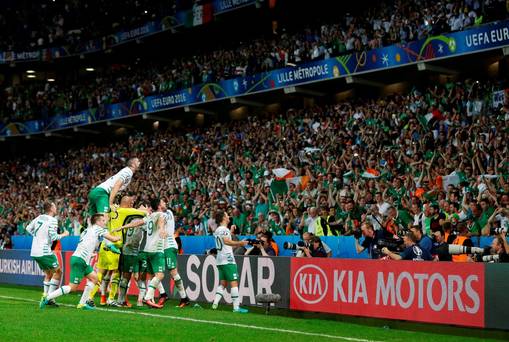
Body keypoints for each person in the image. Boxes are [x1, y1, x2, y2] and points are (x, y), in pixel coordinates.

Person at [40, 214, 120, 310]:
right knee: (72, 287)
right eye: (103, 220)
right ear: (98, 222)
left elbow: (95, 243)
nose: (105, 222)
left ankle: (82, 304)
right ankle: (47, 297)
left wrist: (109, 248)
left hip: (81, 259)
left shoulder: (87, 230)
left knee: (95, 279)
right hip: (80, 260)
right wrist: (119, 237)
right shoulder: (98, 229)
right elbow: (113, 239)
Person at [115, 198, 168, 308]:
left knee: (151, 276)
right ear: (158, 205)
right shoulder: (161, 214)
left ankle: (150, 299)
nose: (165, 203)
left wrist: (123, 226)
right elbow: (161, 222)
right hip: (156, 250)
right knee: (159, 275)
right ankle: (148, 298)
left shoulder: (149, 216)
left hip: (146, 250)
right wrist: (162, 229)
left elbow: (138, 223)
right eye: (163, 202)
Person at [26, 201, 69, 306]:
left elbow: (27, 228)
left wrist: (38, 237)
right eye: (54, 206)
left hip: (35, 251)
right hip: (44, 251)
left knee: (49, 274)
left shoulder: (39, 217)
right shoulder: (53, 220)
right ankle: (49, 298)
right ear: (51, 208)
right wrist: (64, 234)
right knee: (58, 272)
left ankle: (45, 295)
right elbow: (54, 237)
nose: (56, 207)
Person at [211, 210, 249, 313]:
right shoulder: (224, 230)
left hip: (220, 259)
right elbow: (226, 241)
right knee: (234, 282)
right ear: (223, 218)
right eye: (227, 215)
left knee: (223, 283)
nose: (229, 216)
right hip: (228, 259)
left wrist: (231, 232)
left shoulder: (219, 229)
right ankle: (236, 308)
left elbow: (225, 241)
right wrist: (240, 243)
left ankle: (215, 303)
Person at [158, 208, 190, 308]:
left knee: (174, 273)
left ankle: (184, 298)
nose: (162, 204)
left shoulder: (166, 213)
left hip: (169, 246)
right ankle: (162, 294)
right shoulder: (167, 213)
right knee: (155, 271)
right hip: (164, 246)